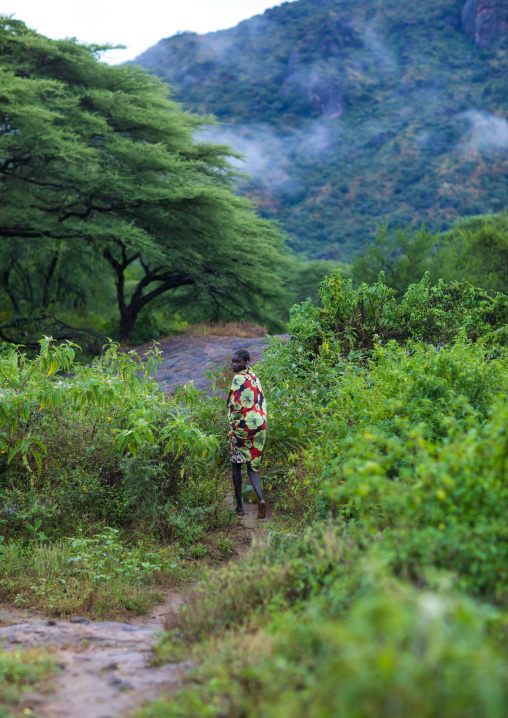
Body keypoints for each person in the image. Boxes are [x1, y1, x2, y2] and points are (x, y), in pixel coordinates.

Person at [226, 348, 267, 519]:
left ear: (245, 363)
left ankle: (239, 507)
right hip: (260, 426)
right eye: (233, 361)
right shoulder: (255, 378)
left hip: (243, 426)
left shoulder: (238, 378)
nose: (233, 364)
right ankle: (261, 499)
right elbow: (262, 402)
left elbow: (234, 405)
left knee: (237, 463)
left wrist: (232, 426)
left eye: (237, 362)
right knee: (252, 466)